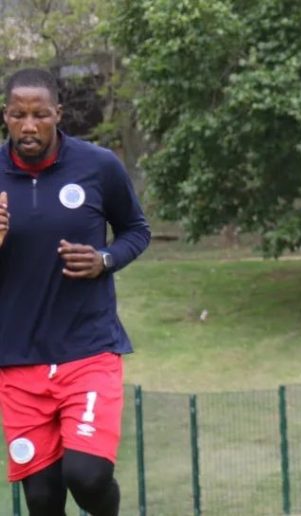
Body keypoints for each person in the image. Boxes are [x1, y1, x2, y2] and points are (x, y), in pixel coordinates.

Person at [0, 68, 151, 515]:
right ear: (4, 116)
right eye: (17, 115)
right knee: (42, 500)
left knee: (86, 476)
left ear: (58, 115)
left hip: (88, 351)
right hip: (17, 359)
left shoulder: (97, 166)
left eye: (40, 115)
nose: (29, 126)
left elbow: (136, 231)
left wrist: (104, 260)